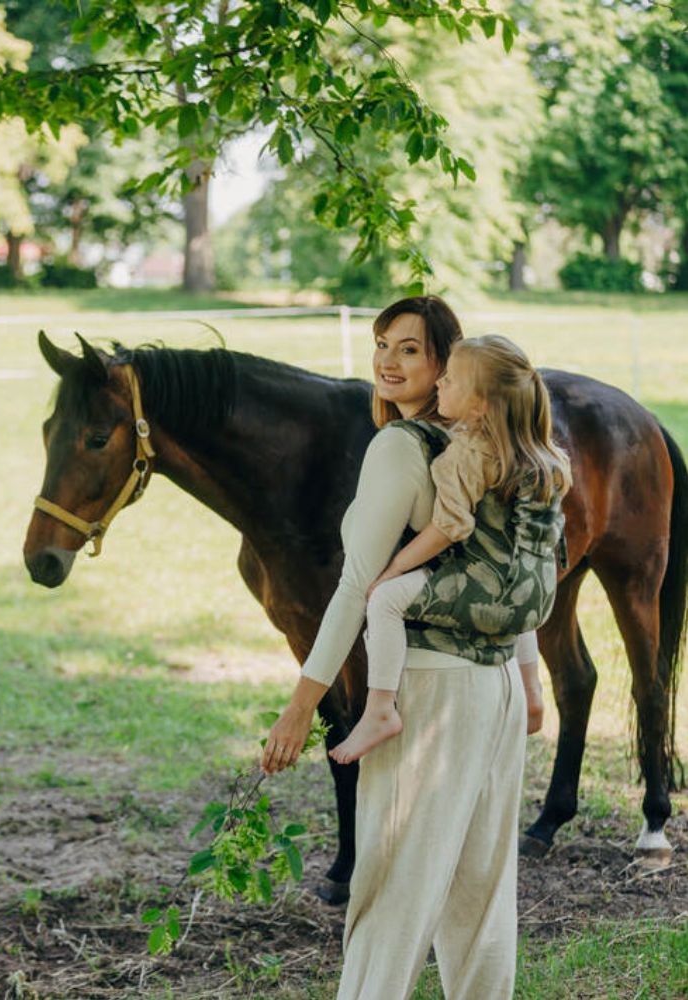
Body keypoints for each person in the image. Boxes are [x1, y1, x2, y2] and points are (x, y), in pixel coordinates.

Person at [262, 295, 555, 1000]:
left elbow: (358, 586)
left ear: (446, 366)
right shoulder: (490, 441)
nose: (388, 362)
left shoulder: (404, 446)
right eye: (382, 344)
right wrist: (530, 675)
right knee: (480, 893)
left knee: (391, 884)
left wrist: (303, 704)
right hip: (498, 691)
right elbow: (512, 566)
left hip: (430, 689)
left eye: (411, 350)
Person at [329, 334, 571, 765]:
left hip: (494, 591)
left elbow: (449, 526)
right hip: (539, 594)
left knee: (384, 601)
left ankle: (380, 709)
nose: (440, 382)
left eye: (452, 380)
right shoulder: (543, 454)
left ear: (479, 407)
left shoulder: (469, 454)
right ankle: (532, 686)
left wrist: (394, 569)